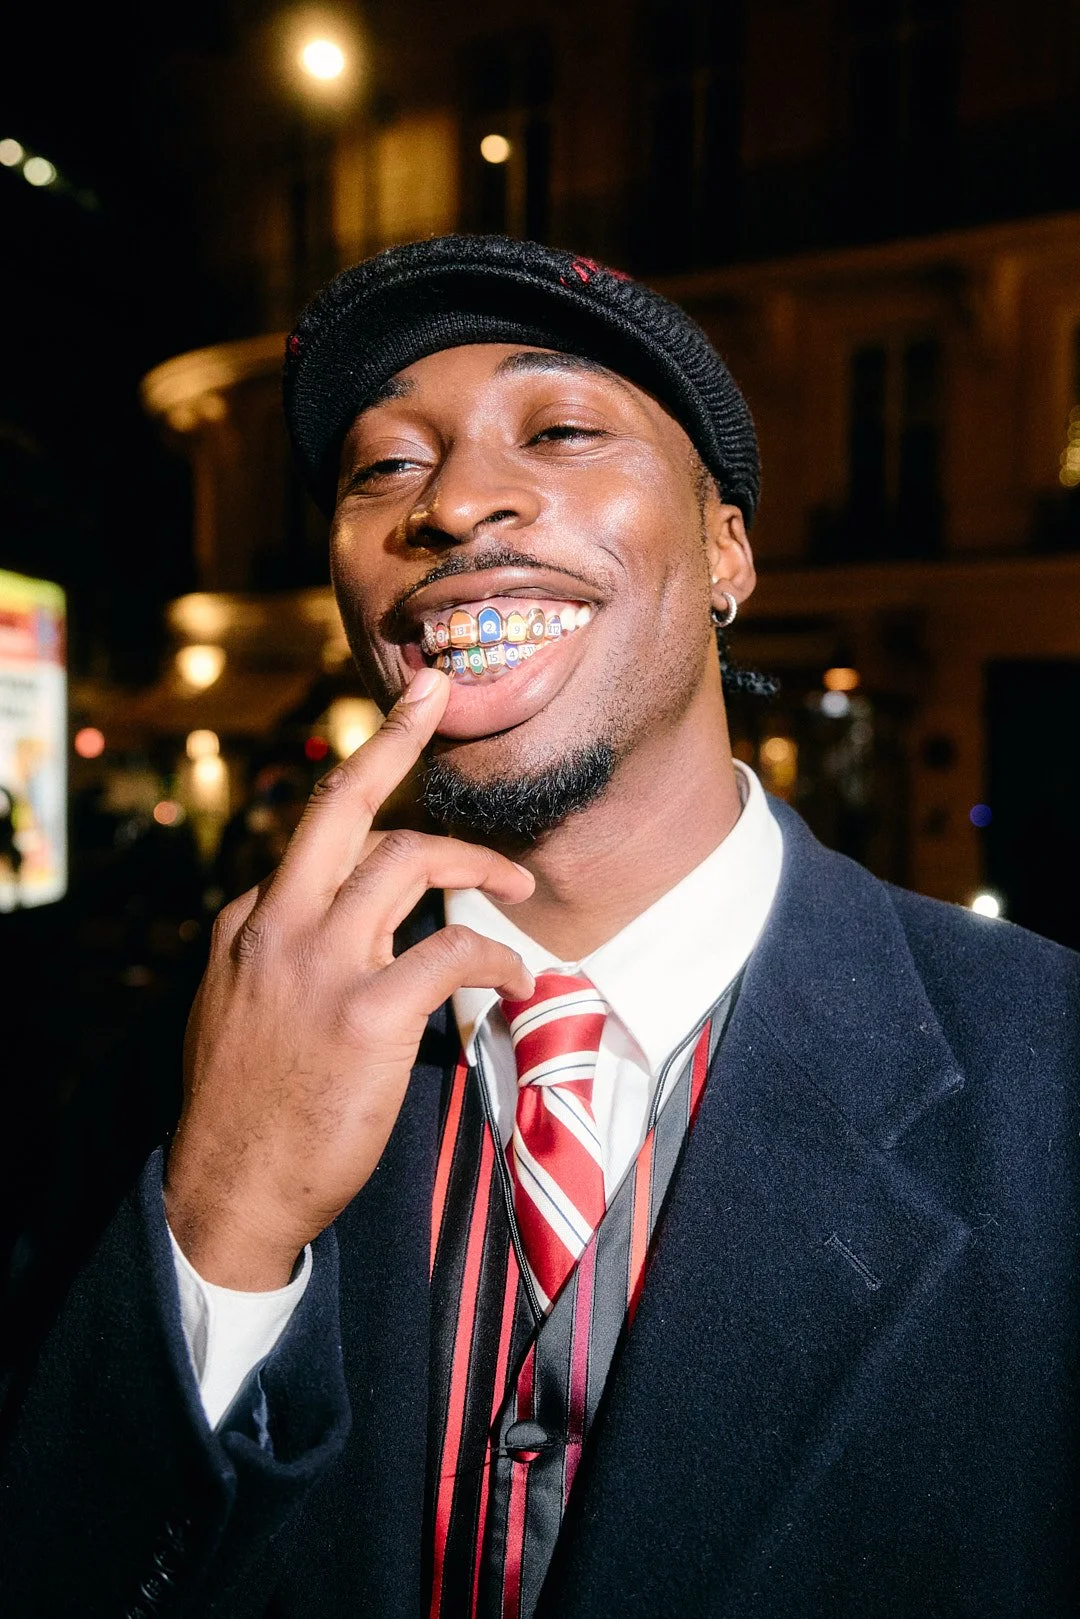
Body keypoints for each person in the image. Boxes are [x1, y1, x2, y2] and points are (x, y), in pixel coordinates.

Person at [1, 236, 1077, 1619]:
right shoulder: (179, 1080)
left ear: (725, 545)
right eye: (384, 465)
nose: (454, 501)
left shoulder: (1047, 1066)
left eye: (561, 428)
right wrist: (223, 1227)